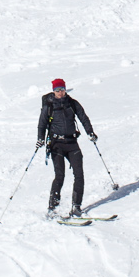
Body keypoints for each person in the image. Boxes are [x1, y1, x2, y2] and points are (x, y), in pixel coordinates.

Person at [37, 78, 96, 216]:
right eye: (57, 90)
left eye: (62, 89)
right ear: (53, 91)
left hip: (71, 143)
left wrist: (90, 132)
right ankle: (52, 207)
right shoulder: (49, 106)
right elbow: (42, 124)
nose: (60, 92)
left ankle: (76, 206)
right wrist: (40, 139)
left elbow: (83, 117)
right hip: (56, 145)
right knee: (60, 175)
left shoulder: (72, 103)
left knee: (79, 174)